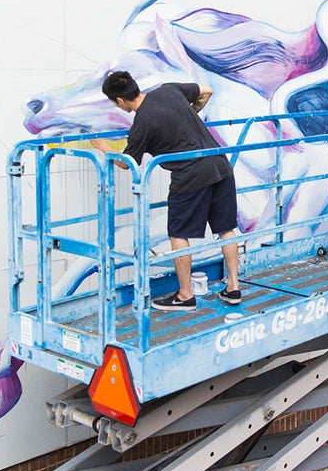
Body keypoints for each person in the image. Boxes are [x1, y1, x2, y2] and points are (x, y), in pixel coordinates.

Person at [91, 70, 241, 311]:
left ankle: (185, 295)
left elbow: (126, 162)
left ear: (120, 100)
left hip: (190, 175)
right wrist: (191, 114)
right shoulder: (168, 90)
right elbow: (206, 90)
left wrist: (102, 147)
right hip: (219, 164)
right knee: (226, 229)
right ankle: (233, 287)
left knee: (179, 234)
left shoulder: (142, 123)